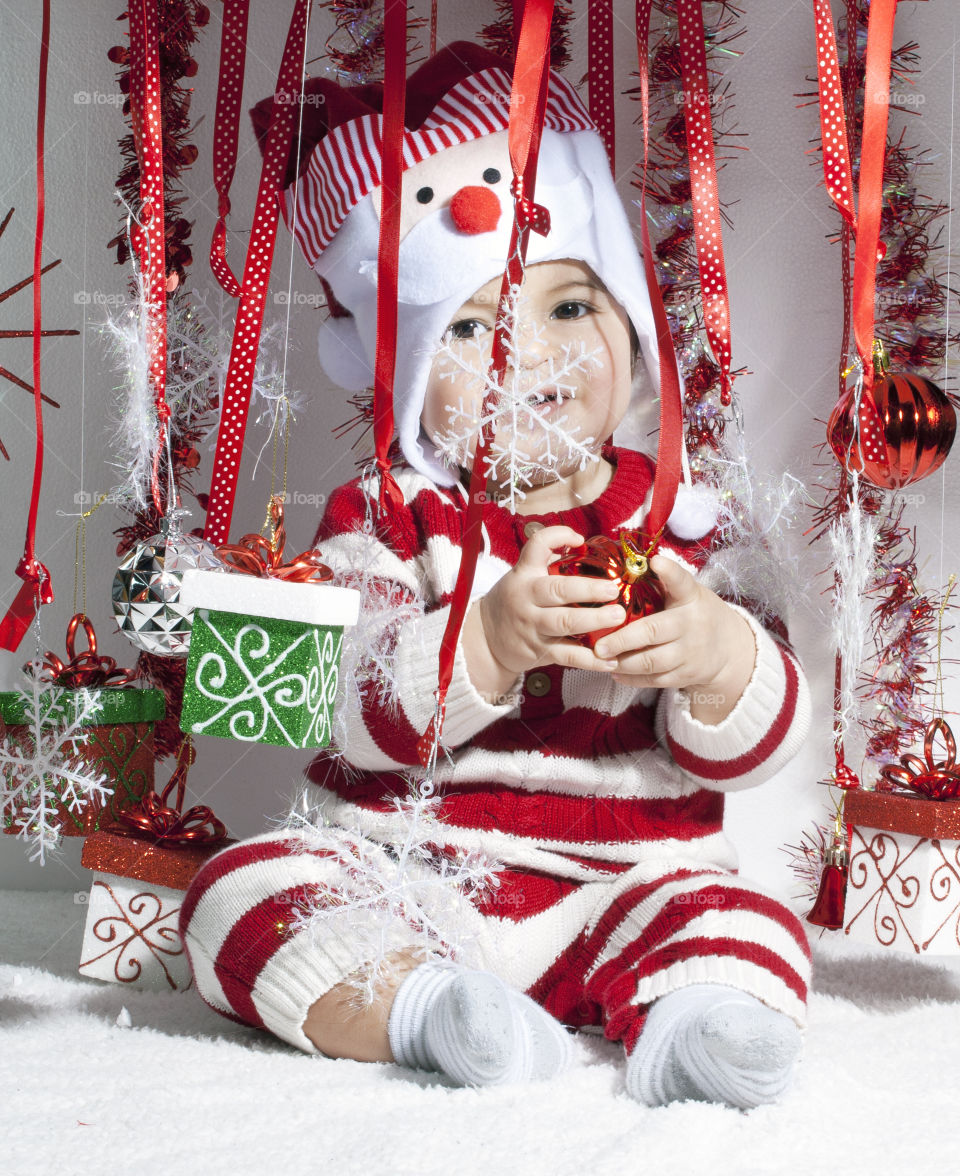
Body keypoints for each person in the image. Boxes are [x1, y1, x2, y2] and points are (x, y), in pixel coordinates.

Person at [180, 43, 812, 1110]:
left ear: (630, 328)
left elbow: (761, 744)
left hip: (626, 884)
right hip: (410, 874)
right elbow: (348, 712)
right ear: (411, 378)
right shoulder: (385, 518)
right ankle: (426, 1011)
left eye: (569, 310)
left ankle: (704, 1021)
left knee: (743, 915)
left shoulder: (689, 525)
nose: (528, 358)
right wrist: (488, 642)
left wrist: (715, 657)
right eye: (470, 329)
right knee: (237, 891)